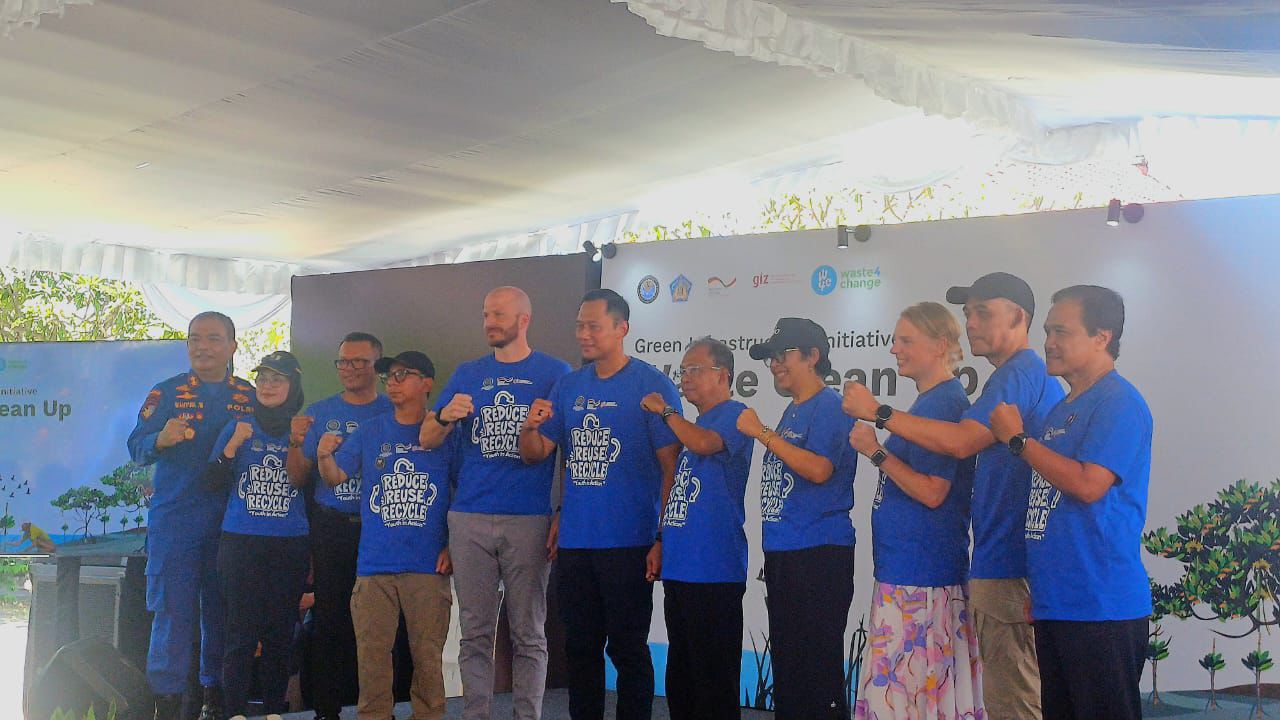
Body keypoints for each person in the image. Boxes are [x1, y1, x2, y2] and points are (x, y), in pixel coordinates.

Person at [843, 272, 1062, 720]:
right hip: (986, 564)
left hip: (969, 571)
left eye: (983, 312)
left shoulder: (1009, 377)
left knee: (1009, 701)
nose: (973, 322)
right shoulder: (1004, 380)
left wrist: (878, 420)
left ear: (1019, 317)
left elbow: (952, 458)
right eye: (968, 313)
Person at [989, 285, 1152, 720]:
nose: (1049, 342)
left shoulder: (1119, 402)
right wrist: (1041, 588)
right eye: (1047, 330)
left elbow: (1088, 485)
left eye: (1062, 331)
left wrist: (1019, 440)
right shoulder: (1063, 409)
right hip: (1056, 603)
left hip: (1101, 605)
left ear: (1102, 336)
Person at [518, 288, 681, 720]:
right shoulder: (568, 385)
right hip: (576, 543)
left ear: (621, 328)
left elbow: (672, 469)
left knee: (627, 647)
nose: (583, 334)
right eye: (579, 325)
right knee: (580, 647)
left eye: (593, 325)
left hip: (629, 541)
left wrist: (663, 536)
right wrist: (527, 430)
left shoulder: (651, 384)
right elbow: (541, 454)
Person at [420, 287, 571, 720]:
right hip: (468, 516)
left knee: (528, 632)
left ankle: (528, 715)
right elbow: (428, 439)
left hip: (528, 517)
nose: (489, 322)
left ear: (524, 319)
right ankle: (476, 715)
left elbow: (564, 448)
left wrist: (560, 510)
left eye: (498, 315)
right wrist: (446, 416)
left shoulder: (553, 372)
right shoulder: (468, 373)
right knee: (475, 632)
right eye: (486, 314)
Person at [847, 303, 983, 720]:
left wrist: (874, 451)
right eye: (894, 340)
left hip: (922, 581)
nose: (894, 350)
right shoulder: (929, 403)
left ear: (940, 345)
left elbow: (932, 492)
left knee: (911, 703)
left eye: (906, 340)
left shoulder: (943, 403)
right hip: (907, 575)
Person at [128, 311, 255, 720]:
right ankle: (167, 703)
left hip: (231, 524)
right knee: (172, 614)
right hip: (175, 523)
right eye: (195, 338)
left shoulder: (248, 395)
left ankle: (213, 697)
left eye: (214, 339)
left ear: (233, 347)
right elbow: (135, 446)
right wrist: (158, 440)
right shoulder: (166, 392)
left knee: (222, 614)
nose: (203, 347)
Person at [317, 350, 457, 720]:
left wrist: (453, 545)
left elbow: (466, 492)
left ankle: (428, 715)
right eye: (389, 376)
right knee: (372, 656)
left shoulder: (447, 435)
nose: (392, 382)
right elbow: (336, 478)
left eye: (402, 374)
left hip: (428, 566)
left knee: (427, 657)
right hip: (374, 565)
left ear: (426, 383)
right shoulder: (371, 430)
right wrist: (323, 458)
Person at [737, 317, 857, 720]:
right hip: (787, 555)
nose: (773, 364)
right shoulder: (795, 410)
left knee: (816, 672)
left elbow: (820, 469)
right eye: (770, 357)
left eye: (782, 354)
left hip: (819, 554)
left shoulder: (830, 405)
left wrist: (762, 434)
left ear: (812, 356)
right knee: (790, 670)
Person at [641, 337, 752, 720]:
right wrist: (660, 540)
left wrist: (666, 410)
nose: (685, 378)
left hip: (715, 570)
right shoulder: (695, 424)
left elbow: (706, 444)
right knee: (682, 678)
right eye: (682, 371)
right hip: (681, 568)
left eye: (694, 369)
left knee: (713, 681)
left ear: (723, 374)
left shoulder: (735, 414)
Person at [286, 332, 392, 720]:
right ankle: (326, 711)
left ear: (377, 367)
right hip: (330, 528)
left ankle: (379, 708)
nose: (349, 368)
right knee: (330, 619)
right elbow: (297, 478)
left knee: (380, 625)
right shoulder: (320, 412)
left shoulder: (390, 411)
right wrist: (298, 444)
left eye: (359, 361)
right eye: (343, 361)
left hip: (381, 529)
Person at [202, 351, 310, 720]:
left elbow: (311, 486)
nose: (267, 385)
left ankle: (273, 711)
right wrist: (233, 446)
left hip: (290, 544)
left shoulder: (305, 427)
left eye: (277, 379)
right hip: (241, 543)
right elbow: (212, 482)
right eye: (262, 378)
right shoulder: (238, 425)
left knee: (280, 633)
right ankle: (233, 712)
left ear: (292, 385)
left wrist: (299, 442)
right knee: (240, 634)